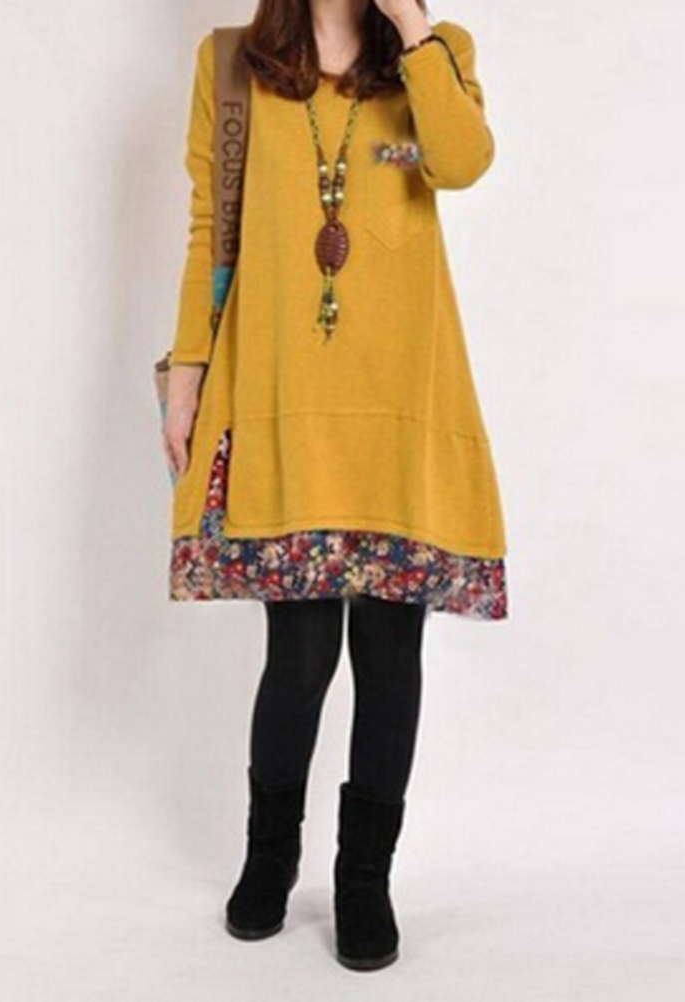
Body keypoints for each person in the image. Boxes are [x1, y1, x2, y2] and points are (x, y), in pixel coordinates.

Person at [160, 0, 508, 972]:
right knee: (300, 656)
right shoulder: (234, 68)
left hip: (401, 402)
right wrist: (186, 374)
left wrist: (411, 28)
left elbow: (457, 163)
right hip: (286, 403)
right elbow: (210, 226)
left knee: (391, 657)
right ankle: (270, 857)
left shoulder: (435, 59)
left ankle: (365, 880)